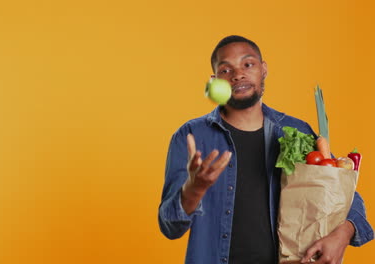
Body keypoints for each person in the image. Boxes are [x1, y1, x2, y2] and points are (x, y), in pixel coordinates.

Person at [158, 35, 373, 264]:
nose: (238, 74)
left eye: (247, 64)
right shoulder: (191, 136)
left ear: (263, 69)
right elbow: (169, 225)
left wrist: (343, 234)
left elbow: (343, 193)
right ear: (214, 81)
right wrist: (193, 190)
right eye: (225, 70)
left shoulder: (295, 131)